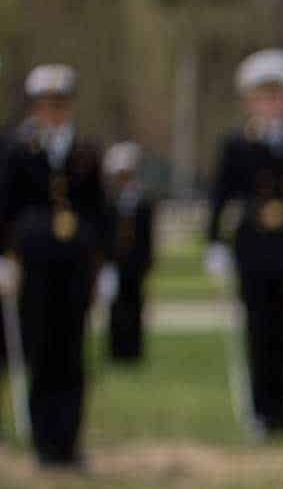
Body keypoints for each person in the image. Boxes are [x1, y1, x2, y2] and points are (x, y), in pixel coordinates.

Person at [0, 64, 116, 468]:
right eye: (46, 105)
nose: (52, 113)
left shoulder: (86, 151)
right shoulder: (19, 151)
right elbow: (6, 208)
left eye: (59, 105)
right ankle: (43, 442)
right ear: (35, 108)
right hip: (35, 266)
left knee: (71, 354)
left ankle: (69, 441)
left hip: (76, 268)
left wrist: (108, 266)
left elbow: (101, 213)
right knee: (40, 351)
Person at [204, 49, 283, 437]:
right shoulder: (237, 144)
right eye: (265, 95)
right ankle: (260, 411)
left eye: (279, 95)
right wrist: (215, 245)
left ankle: (281, 410)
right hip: (252, 249)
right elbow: (220, 196)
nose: (273, 103)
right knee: (256, 329)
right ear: (251, 100)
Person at [103, 142, 156, 364]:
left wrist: (148, 260)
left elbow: (148, 234)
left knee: (135, 305)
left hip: (136, 261)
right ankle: (116, 351)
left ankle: (134, 351)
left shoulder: (143, 200)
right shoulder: (109, 201)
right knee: (116, 307)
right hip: (115, 261)